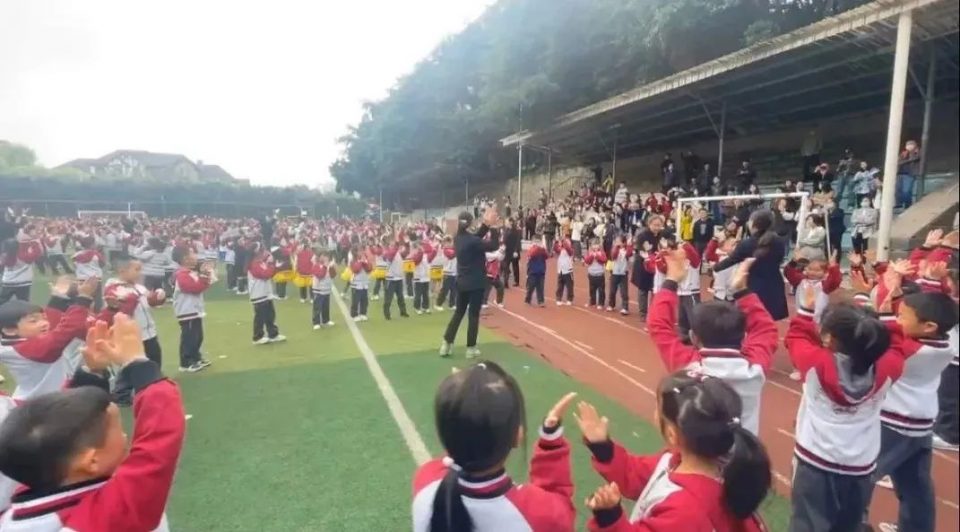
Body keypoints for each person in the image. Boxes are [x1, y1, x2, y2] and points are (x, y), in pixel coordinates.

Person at [0, 314, 184, 531]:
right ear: (91, 460)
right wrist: (139, 364)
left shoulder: (34, 487)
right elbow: (157, 447)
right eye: (118, 431)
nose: (126, 436)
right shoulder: (107, 516)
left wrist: (91, 374)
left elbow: (57, 429)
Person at [575, 371, 771, 531]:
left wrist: (609, 517)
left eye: (658, 408)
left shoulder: (685, 510)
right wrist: (602, 446)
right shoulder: (679, 461)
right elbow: (634, 474)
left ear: (671, 434)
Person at [785, 284, 904, 532]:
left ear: (830, 339)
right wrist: (888, 317)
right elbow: (897, 348)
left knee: (807, 524)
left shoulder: (816, 364)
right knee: (850, 525)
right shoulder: (887, 369)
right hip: (861, 466)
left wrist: (806, 310)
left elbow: (795, 338)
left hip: (815, 462)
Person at [411, 362, 576, 531]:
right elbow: (559, 508)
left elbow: (457, 445)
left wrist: (461, 405)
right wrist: (551, 442)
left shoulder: (426, 478)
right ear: (517, 436)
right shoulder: (540, 514)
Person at [871, 288, 958, 532]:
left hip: (894, 424)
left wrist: (883, 313)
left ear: (929, 326)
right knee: (916, 486)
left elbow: (883, 340)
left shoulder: (913, 350)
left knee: (862, 477)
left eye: (903, 316)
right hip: (921, 425)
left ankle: (850, 523)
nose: (898, 320)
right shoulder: (945, 345)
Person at [0, 277, 97, 400]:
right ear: (10, 330)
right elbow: (66, 331)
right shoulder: (26, 350)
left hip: (42, 398)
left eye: (43, 318)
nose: (44, 323)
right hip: (43, 403)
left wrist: (58, 298)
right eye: (33, 321)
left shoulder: (13, 342)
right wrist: (84, 298)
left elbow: (52, 323)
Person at [440, 209, 500, 359]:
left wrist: (486, 224)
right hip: (476, 283)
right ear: (470, 223)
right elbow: (494, 245)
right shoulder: (472, 241)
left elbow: (475, 238)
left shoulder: (458, 238)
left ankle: (446, 344)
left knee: (458, 313)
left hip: (462, 282)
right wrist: (493, 227)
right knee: (473, 315)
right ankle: (471, 348)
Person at [714, 210, 788, 321]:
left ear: (754, 223)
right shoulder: (779, 242)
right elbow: (780, 259)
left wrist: (715, 267)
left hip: (754, 285)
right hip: (774, 284)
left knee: (753, 319)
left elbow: (732, 260)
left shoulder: (747, 243)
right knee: (769, 320)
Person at [171, 246, 213, 373]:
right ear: (185, 259)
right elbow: (194, 288)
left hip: (195, 310)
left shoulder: (191, 273)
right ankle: (186, 362)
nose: (196, 256)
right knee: (189, 337)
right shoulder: (182, 274)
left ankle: (196, 357)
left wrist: (206, 275)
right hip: (186, 311)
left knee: (198, 336)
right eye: (193, 253)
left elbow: (202, 285)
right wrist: (204, 277)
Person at [248, 245, 286, 345]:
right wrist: (271, 265)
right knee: (260, 317)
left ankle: (273, 334)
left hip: (266, 293)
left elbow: (270, 274)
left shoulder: (261, 263)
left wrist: (274, 266)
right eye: (261, 250)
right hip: (258, 294)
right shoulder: (253, 264)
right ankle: (257, 337)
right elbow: (265, 275)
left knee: (270, 315)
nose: (264, 252)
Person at [0, 237, 42, 305]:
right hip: (23, 283)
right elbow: (37, 253)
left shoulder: (4, 256)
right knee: (24, 302)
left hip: (8, 282)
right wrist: (35, 243)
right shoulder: (24, 256)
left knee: (2, 300)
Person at [382, 236, 410, 320]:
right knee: (388, 298)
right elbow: (390, 256)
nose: (394, 246)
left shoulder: (398, 253)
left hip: (399, 278)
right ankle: (387, 314)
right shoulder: (388, 253)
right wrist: (396, 246)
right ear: (389, 246)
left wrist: (407, 244)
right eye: (392, 245)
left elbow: (406, 253)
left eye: (394, 245)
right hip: (390, 279)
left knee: (400, 297)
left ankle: (403, 312)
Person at [310, 252, 335, 329]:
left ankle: (326, 320)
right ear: (319, 257)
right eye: (323, 256)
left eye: (326, 256)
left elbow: (333, 275)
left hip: (326, 289)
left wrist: (332, 268)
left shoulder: (328, 266)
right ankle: (316, 322)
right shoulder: (316, 266)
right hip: (318, 290)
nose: (325, 258)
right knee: (317, 307)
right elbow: (320, 275)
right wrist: (325, 266)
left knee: (326, 307)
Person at [896, 140, 921, 209]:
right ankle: (899, 205)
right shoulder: (903, 153)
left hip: (909, 174)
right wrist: (906, 160)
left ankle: (907, 205)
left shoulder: (918, 152)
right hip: (900, 174)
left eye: (911, 144)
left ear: (915, 145)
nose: (909, 146)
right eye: (908, 145)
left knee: (906, 191)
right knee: (898, 191)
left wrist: (905, 161)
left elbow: (916, 158)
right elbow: (898, 162)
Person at [435, 237, 457, 311]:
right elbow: (451, 256)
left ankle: (452, 304)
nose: (449, 244)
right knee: (445, 289)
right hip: (447, 272)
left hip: (454, 272)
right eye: (447, 242)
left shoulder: (454, 249)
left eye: (450, 242)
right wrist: (458, 249)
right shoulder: (445, 250)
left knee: (454, 290)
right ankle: (438, 304)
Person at [349, 248, 372, 322]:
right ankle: (354, 315)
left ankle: (363, 313)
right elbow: (356, 269)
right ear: (355, 253)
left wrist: (365, 262)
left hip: (364, 283)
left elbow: (369, 269)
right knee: (355, 301)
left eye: (362, 251)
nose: (362, 252)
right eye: (359, 251)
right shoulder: (353, 261)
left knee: (364, 300)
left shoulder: (365, 260)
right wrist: (360, 262)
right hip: (356, 284)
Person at [584, 241, 607, 310]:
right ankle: (593, 302)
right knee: (592, 289)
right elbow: (587, 261)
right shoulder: (589, 252)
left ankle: (601, 303)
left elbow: (604, 260)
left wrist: (597, 256)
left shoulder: (602, 253)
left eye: (596, 245)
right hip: (591, 274)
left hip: (600, 274)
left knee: (601, 290)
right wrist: (592, 256)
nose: (595, 247)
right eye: (593, 245)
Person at [524, 241, 548, 307]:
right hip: (533, 272)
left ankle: (541, 301)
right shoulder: (532, 249)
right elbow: (531, 254)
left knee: (540, 287)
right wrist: (538, 248)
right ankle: (527, 300)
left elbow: (546, 256)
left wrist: (543, 250)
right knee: (531, 287)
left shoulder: (542, 251)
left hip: (541, 272)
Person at [554, 236, 574, 306]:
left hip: (568, 270)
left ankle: (569, 299)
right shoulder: (560, 249)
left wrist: (564, 242)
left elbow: (569, 250)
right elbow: (556, 249)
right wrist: (556, 242)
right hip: (560, 270)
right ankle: (558, 298)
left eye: (568, 241)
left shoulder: (570, 250)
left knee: (569, 286)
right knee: (560, 286)